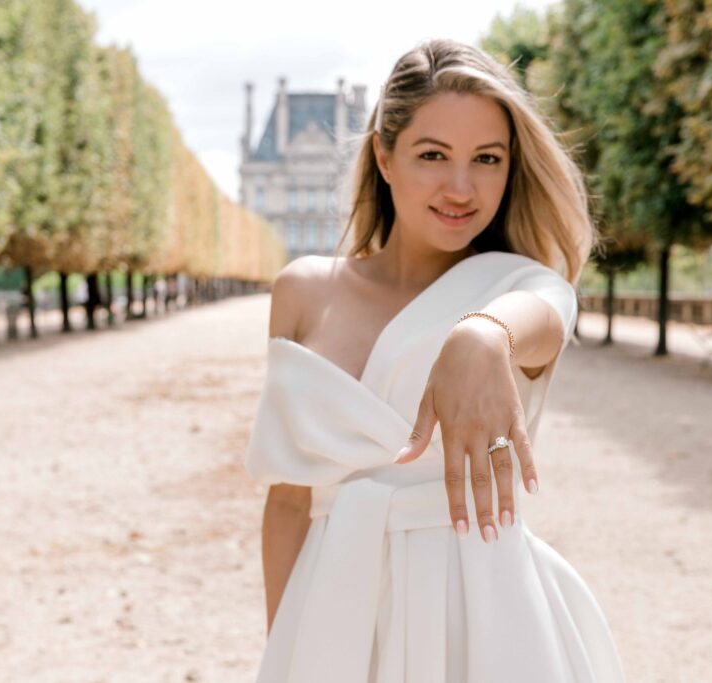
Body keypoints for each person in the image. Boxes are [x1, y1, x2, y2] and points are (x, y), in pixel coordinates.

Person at [243, 38, 626, 681]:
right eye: (432, 155)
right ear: (384, 157)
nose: (461, 186)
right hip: (330, 614)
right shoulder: (301, 292)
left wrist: (481, 336)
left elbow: (541, 319)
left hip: (486, 617)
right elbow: (287, 503)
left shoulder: (522, 288)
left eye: (487, 159)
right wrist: (285, 647)